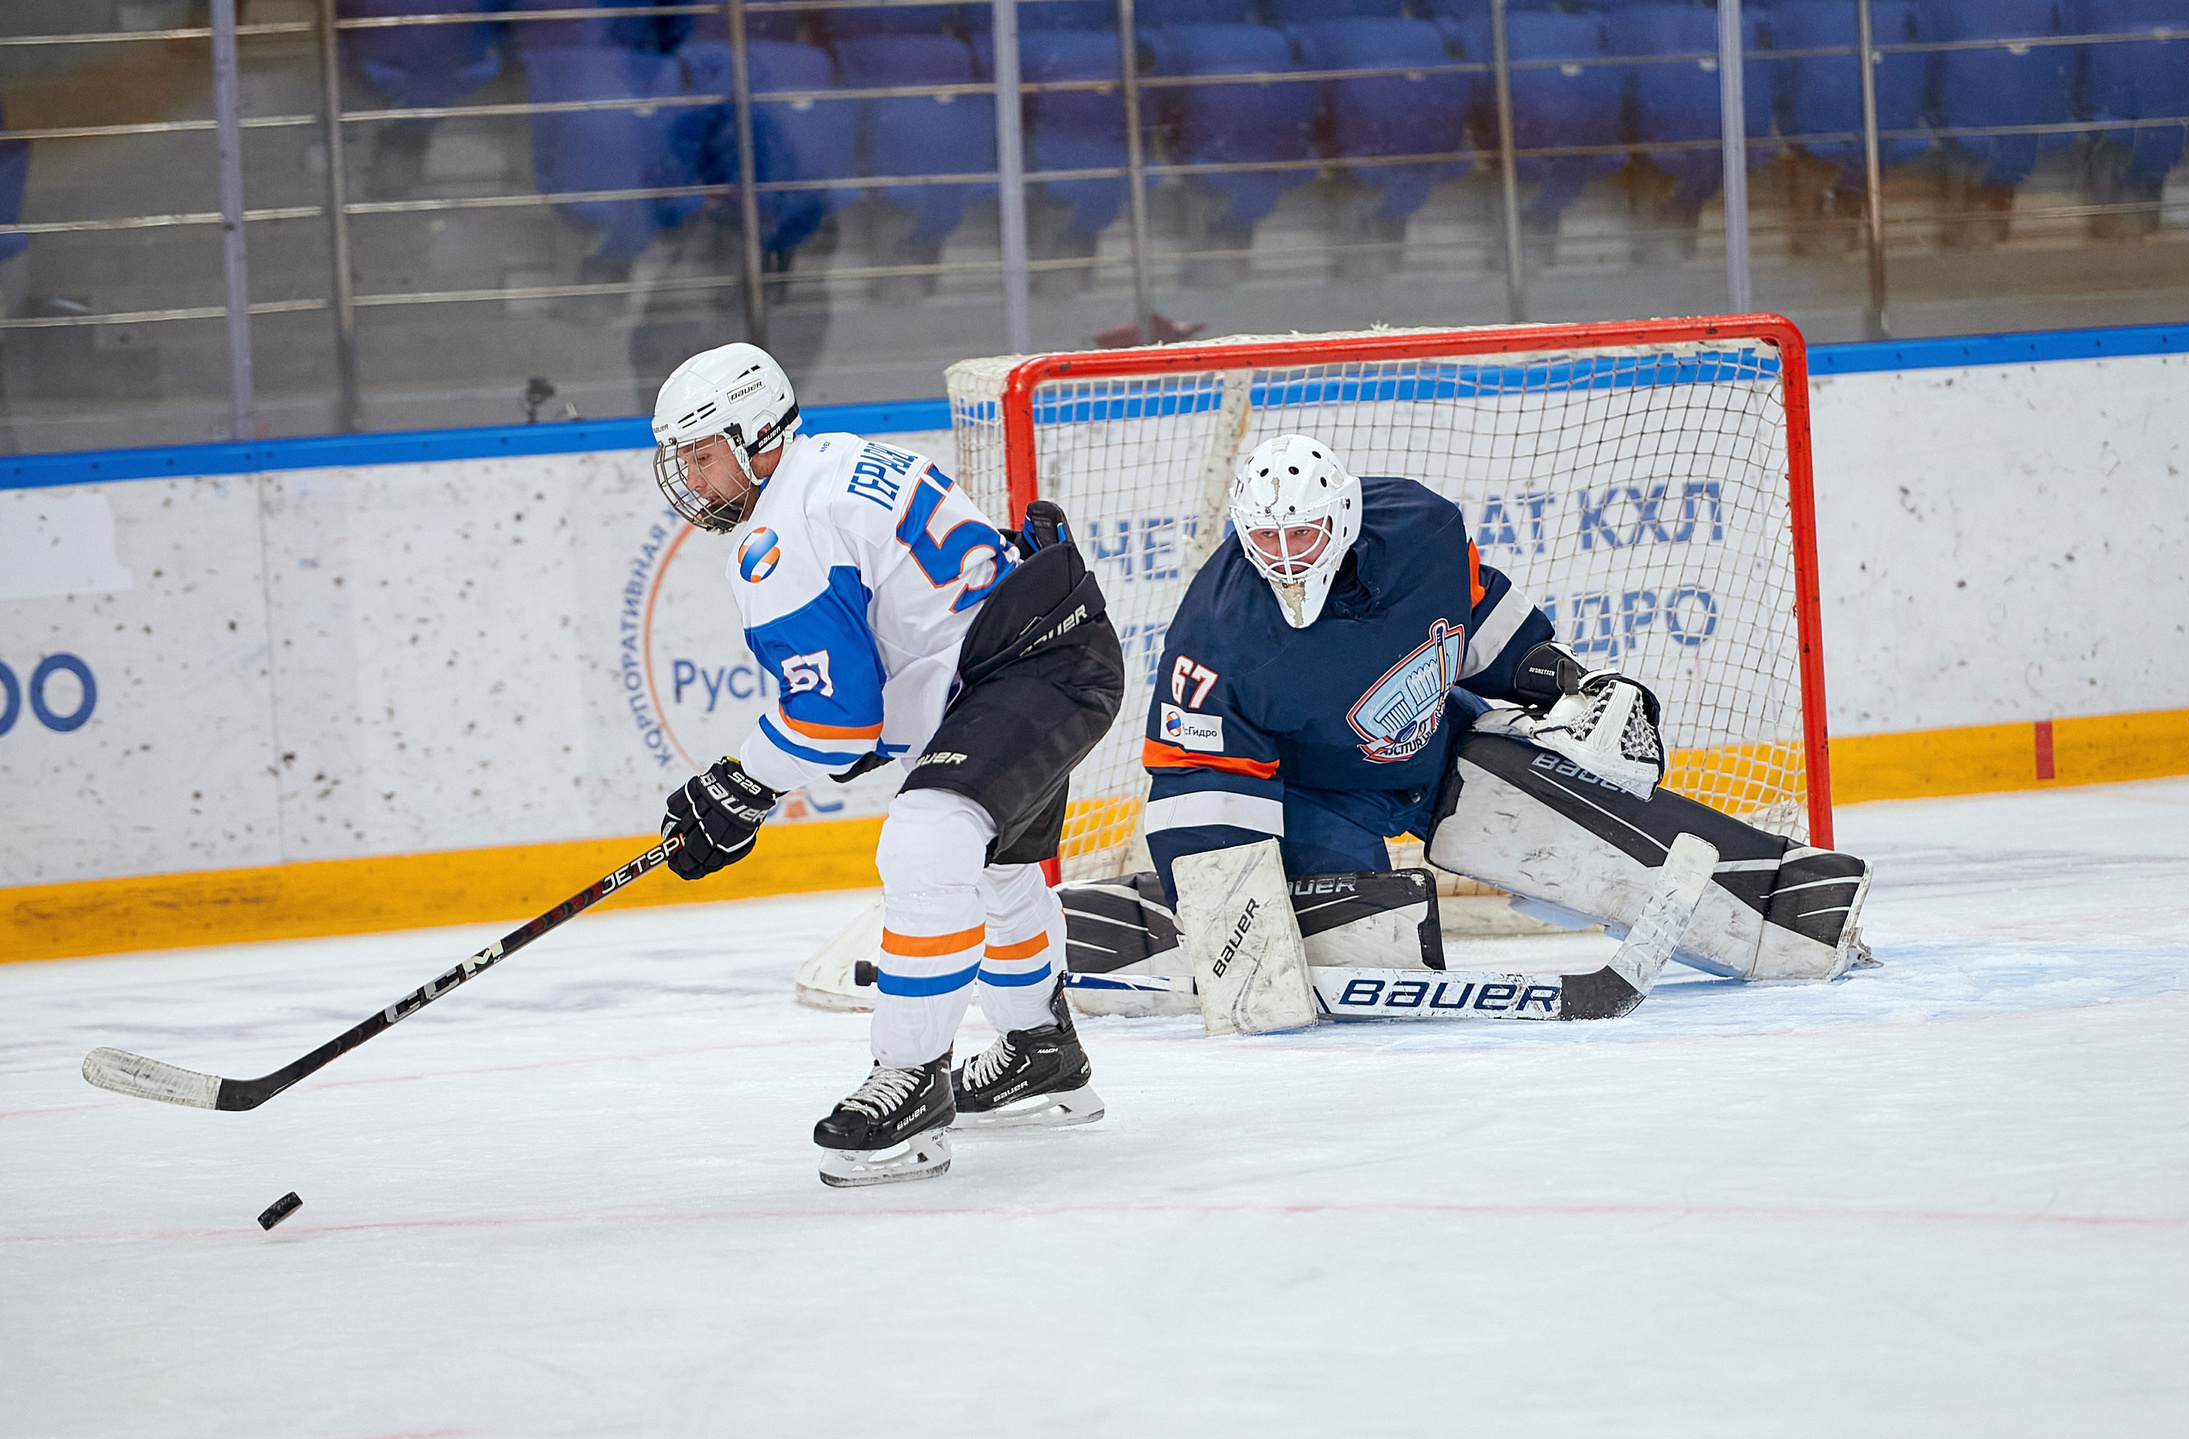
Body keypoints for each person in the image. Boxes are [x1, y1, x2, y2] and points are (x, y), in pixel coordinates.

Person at [650, 342, 1123, 1186]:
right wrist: (748, 785)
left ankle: (912, 1080)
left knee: (928, 838)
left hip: (1022, 668)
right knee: (996, 867)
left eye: (702, 455)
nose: (693, 481)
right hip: (1048, 650)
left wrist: (742, 784)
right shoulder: (836, 464)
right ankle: (1040, 1049)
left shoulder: (780, 535)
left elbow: (836, 717)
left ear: (756, 434)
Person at [1140, 433, 1664, 907]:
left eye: (1301, 533)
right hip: (1322, 797)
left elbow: (1474, 614)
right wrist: (1220, 902)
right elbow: (1200, 775)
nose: (1285, 557)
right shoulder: (1217, 629)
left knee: (1555, 826)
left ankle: (1649, 881)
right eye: (1266, 538)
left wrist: (1563, 678)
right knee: (1364, 926)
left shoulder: (1421, 530)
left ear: (1340, 513)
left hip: (1436, 746)